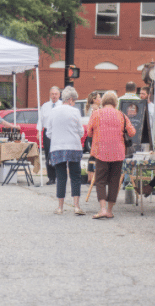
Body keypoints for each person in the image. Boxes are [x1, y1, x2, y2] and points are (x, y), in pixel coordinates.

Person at [86, 91, 135, 219]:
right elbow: (132, 132)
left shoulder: (96, 114)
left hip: (101, 151)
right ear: (115, 103)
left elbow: (89, 133)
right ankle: (109, 210)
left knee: (101, 180)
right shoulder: (122, 115)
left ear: (103, 102)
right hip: (118, 152)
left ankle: (102, 209)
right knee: (114, 181)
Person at [47, 87, 85, 215]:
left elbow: (49, 132)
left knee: (61, 176)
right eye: (74, 100)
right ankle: (76, 206)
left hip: (57, 147)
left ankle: (60, 207)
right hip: (74, 146)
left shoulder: (53, 111)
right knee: (75, 176)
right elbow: (80, 131)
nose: (74, 103)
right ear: (70, 99)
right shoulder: (75, 111)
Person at [40, 86, 61, 185]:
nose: (54, 96)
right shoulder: (45, 106)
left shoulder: (62, 105)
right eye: (52, 94)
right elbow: (40, 120)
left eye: (56, 94)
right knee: (48, 154)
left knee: (58, 154)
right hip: (47, 132)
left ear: (59, 95)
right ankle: (51, 177)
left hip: (58, 132)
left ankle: (59, 176)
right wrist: (38, 131)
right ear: (50, 94)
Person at [85, 91, 101, 183]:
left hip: (94, 134)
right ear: (94, 100)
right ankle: (91, 177)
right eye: (99, 97)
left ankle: (91, 177)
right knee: (94, 156)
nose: (101, 99)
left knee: (93, 155)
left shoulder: (96, 109)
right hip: (94, 134)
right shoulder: (95, 110)